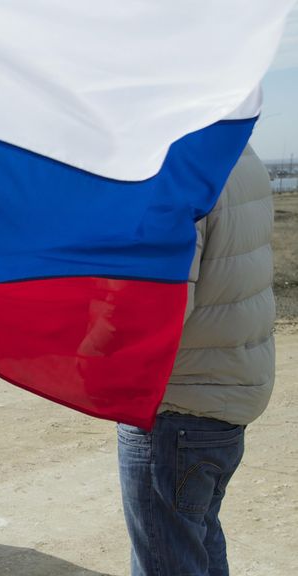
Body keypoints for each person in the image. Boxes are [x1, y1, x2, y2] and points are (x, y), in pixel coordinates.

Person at [117, 144, 275, 576]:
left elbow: (162, 310)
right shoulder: (240, 154)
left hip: (178, 406)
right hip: (227, 393)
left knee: (168, 559)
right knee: (198, 542)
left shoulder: (181, 169)